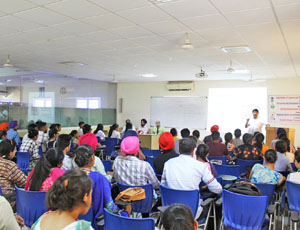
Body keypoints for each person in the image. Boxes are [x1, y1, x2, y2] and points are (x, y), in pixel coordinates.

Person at [162, 138, 222, 219]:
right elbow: (217, 189)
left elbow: (163, 185)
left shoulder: (168, 163)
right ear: (193, 151)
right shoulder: (201, 166)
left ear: (179, 149)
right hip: (192, 213)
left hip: (171, 210)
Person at [74, 145, 126, 229]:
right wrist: (124, 213)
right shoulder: (99, 178)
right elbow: (109, 206)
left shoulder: (67, 176)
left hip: (72, 222)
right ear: (92, 159)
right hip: (94, 224)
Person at [0, 139, 27, 209]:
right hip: (7, 201)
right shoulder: (9, 165)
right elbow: (24, 182)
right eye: (15, 150)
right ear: (9, 152)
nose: (15, 152)